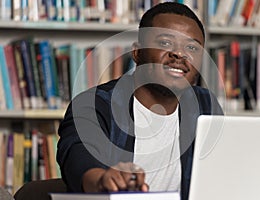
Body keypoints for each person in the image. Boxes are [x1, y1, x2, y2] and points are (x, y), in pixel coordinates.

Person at [57, 2, 223, 200]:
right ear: (137, 52)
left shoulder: (205, 105)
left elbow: (222, 170)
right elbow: (77, 154)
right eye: (165, 43)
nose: (179, 54)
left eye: (191, 47)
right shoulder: (93, 104)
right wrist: (102, 180)